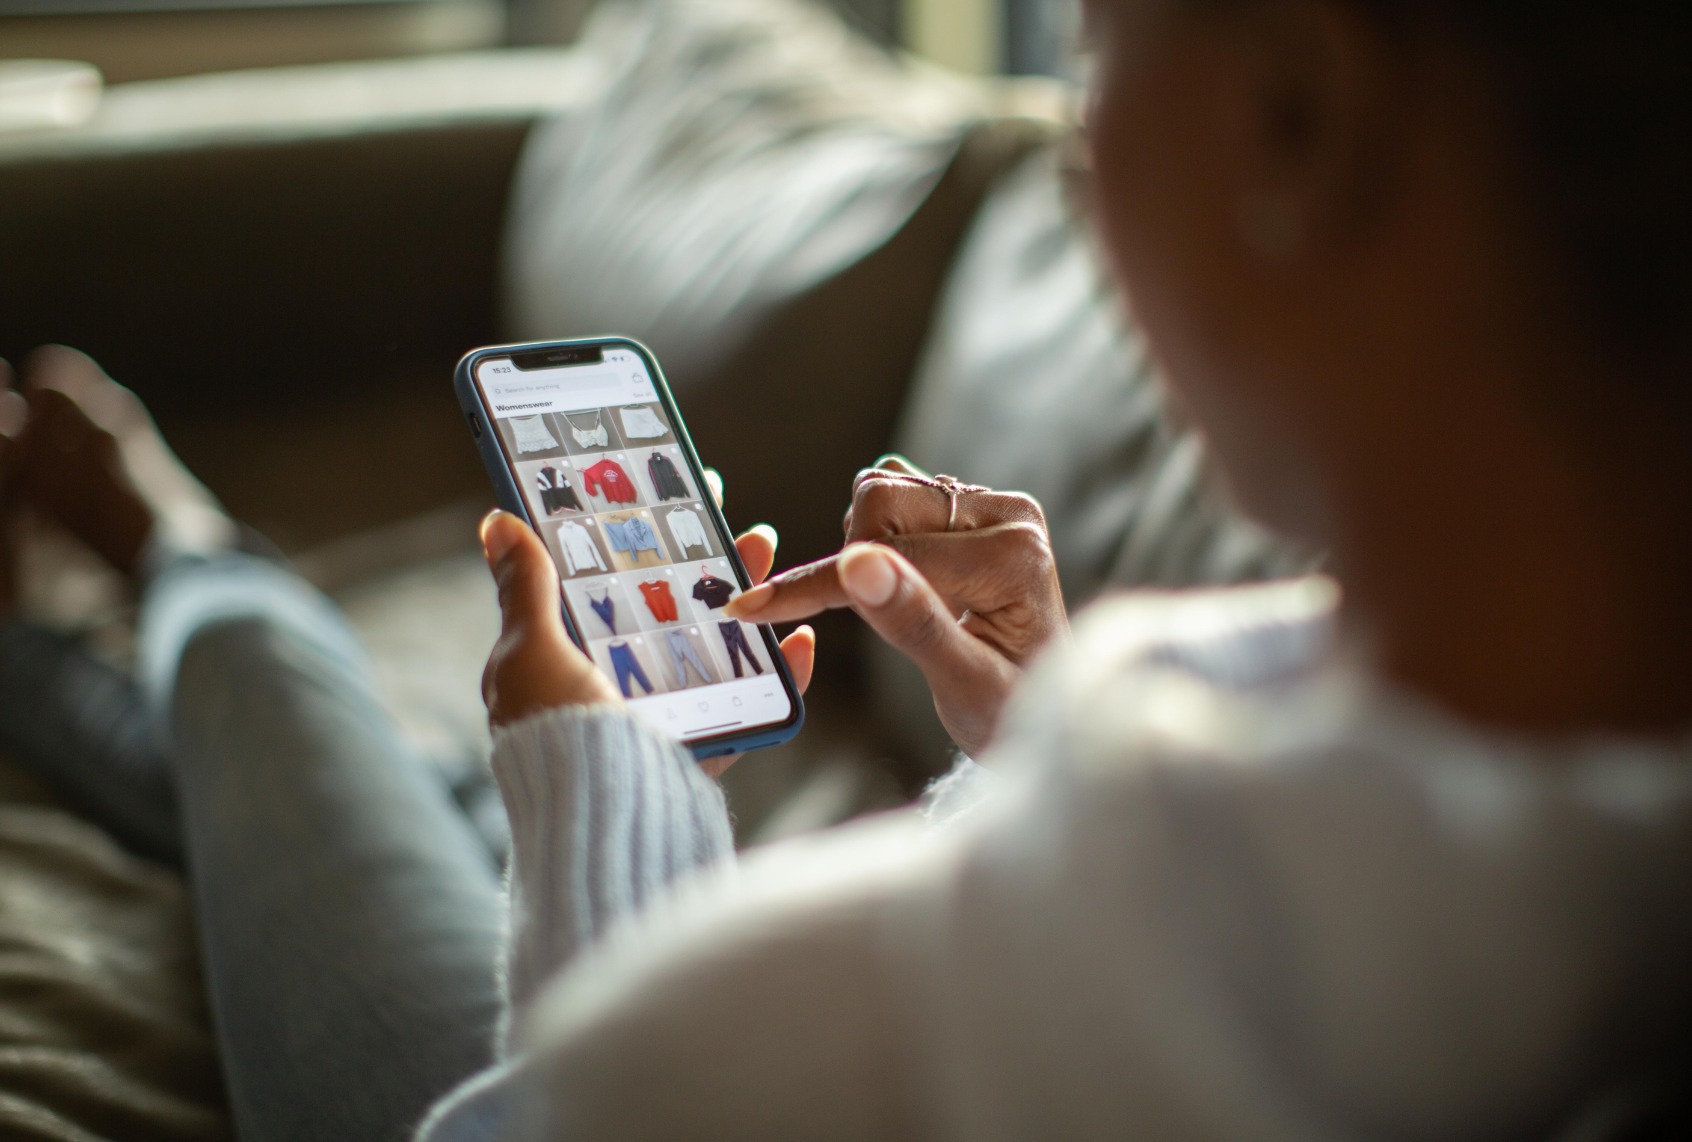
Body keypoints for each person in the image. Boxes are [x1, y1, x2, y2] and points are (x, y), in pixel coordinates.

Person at [8, 0, 1692, 1138]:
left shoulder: (1027, 968)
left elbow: (566, 1102)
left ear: (1297, 115)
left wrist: (613, 805)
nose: (1076, 150)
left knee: (303, 723)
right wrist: (1024, 750)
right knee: (388, 793)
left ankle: (187, 566)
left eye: (1095, 50)